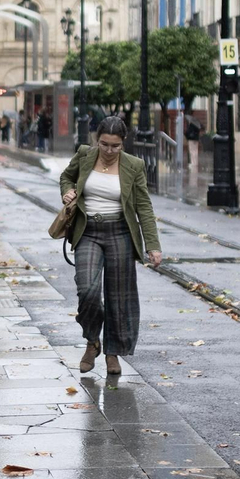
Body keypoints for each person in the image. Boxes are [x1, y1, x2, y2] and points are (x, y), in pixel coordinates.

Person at [59, 117, 162, 377]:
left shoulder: (134, 165)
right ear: (97, 139)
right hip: (88, 232)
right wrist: (67, 191)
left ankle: (112, 353)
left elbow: (143, 207)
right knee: (88, 290)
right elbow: (66, 177)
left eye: (115, 146)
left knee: (119, 298)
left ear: (123, 143)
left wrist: (153, 245)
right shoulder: (85, 155)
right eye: (104, 144)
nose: (109, 150)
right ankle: (92, 340)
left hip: (120, 233)